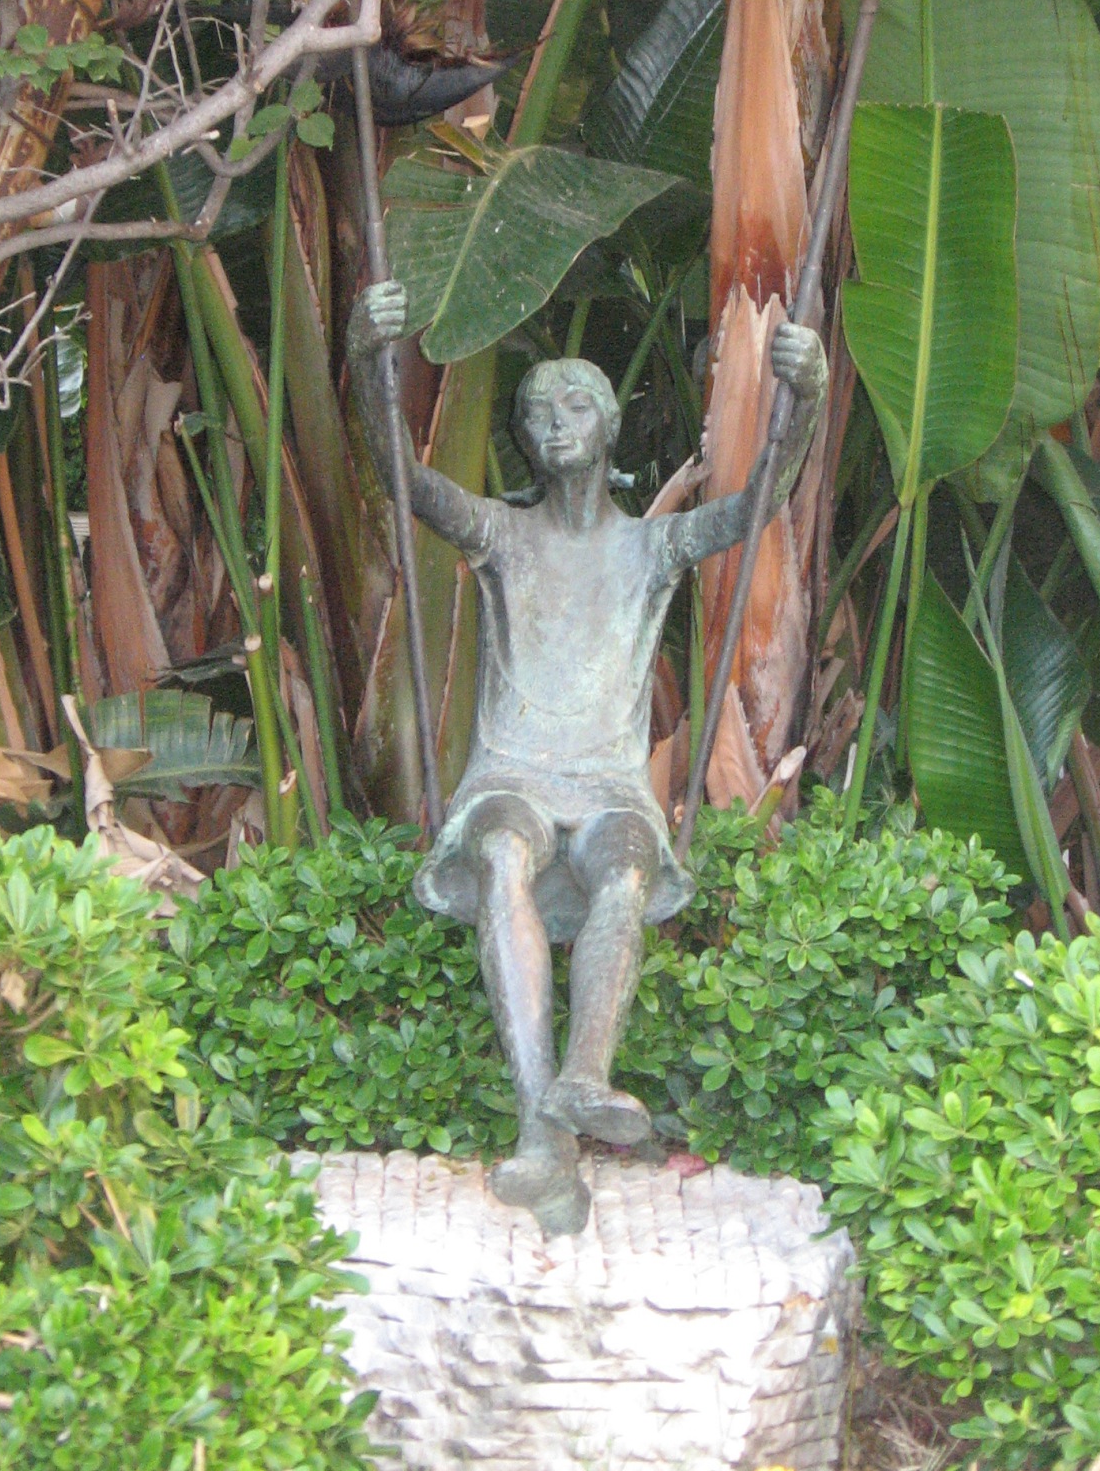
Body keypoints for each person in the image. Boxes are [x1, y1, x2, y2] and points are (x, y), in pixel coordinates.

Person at [349, 283, 827, 1234]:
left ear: (608, 427)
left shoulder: (653, 546)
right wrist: (368, 360)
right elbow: (402, 475)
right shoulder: (501, 533)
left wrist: (804, 398)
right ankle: (544, 1127)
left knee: (627, 871)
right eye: (537, 412)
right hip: (512, 776)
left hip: (609, 787)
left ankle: (583, 1079)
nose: (554, 424)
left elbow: (758, 502)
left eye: (575, 407)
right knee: (502, 854)